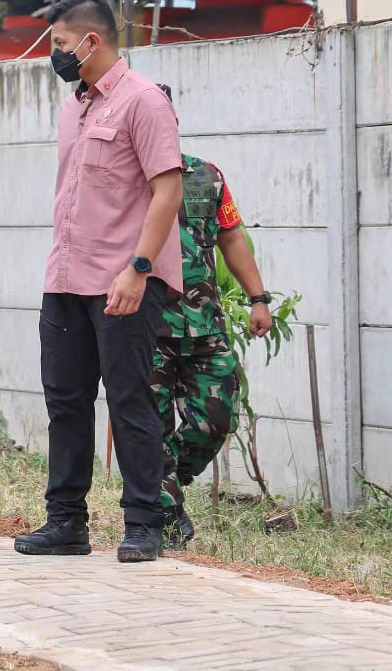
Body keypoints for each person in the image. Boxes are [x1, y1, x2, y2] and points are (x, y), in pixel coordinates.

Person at [14, 0, 184, 564]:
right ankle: (66, 522)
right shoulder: (75, 106)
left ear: (92, 41)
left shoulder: (144, 102)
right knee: (65, 403)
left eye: (60, 44)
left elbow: (168, 189)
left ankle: (143, 523)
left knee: (130, 400)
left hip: (123, 280)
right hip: (65, 279)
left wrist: (139, 269)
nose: (54, 55)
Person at [152, 85, 274, 550]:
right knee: (149, 425)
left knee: (216, 418)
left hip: (203, 325)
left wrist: (258, 298)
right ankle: (160, 512)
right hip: (144, 326)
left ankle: (161, 485)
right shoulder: (117, 178)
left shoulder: (206, 176)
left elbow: (233, 238)